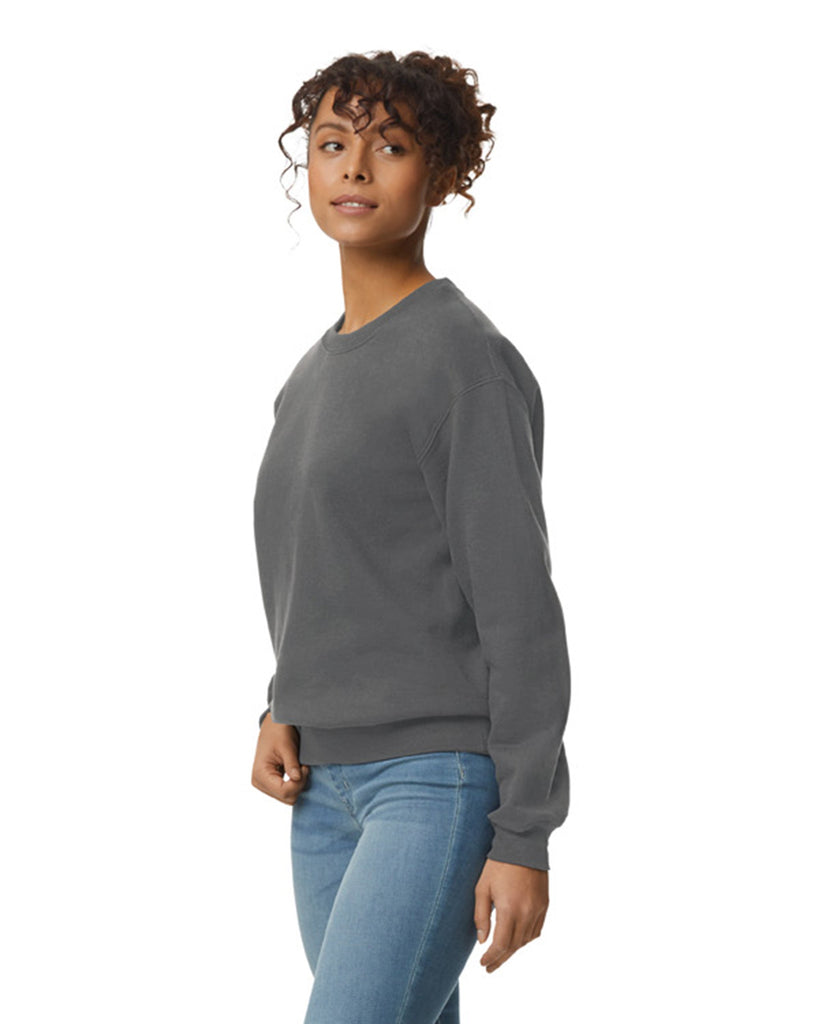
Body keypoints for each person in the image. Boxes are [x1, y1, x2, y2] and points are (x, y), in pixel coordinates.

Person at [250, 49, 571, 1024]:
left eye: (389, 147)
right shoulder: (309, 377)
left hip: (435, 782)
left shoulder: (463, 361)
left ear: (441, 174)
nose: (353, 166)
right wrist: (281, 702)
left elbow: (520, 612)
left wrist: (523, 833)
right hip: (321, 790)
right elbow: (332, 570)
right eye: (331, 144)